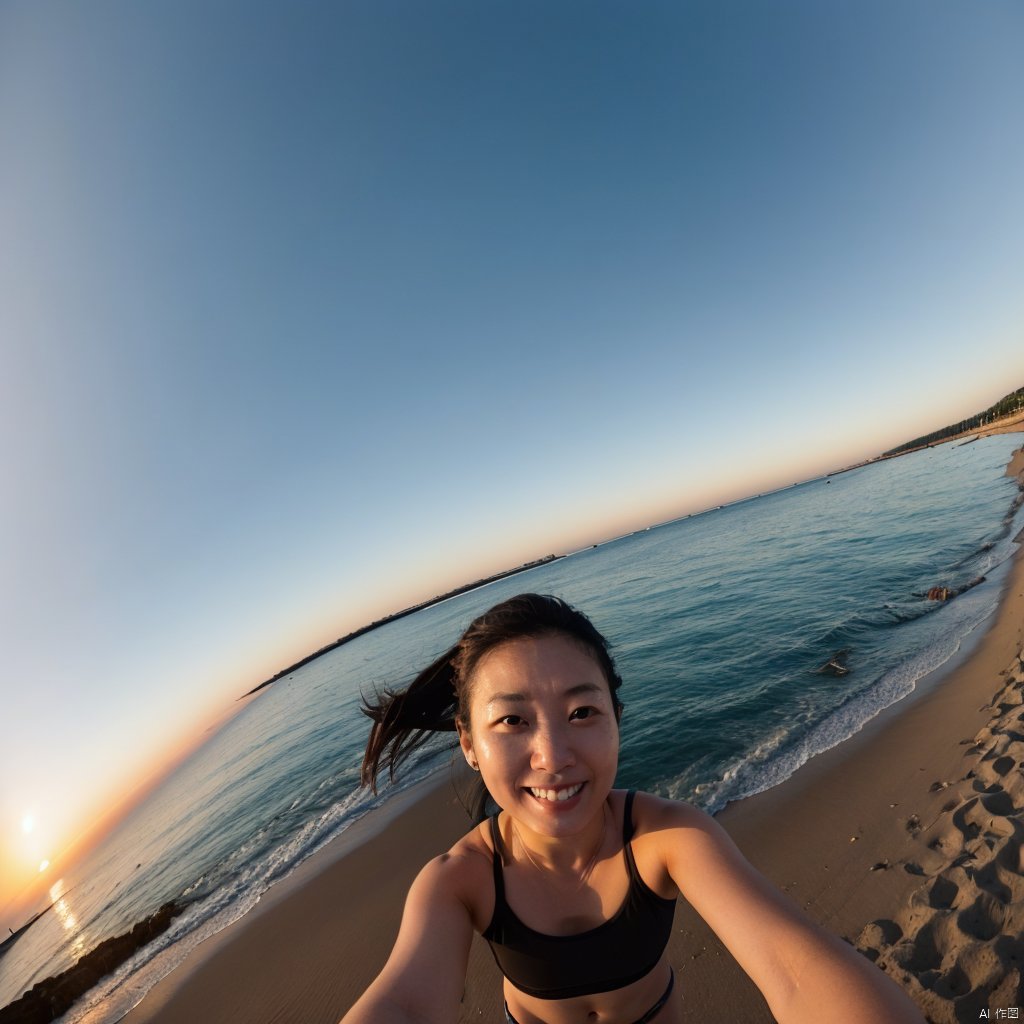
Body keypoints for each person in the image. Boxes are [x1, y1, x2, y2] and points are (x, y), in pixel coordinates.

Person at [341, 594, 924, 1024]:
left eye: (582, 713)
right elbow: (407, 1002)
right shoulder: (458, 881)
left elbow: (795, 971)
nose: (553, 756)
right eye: (512, 721)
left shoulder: (668, 836)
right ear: (469, 744)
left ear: (617, 718)